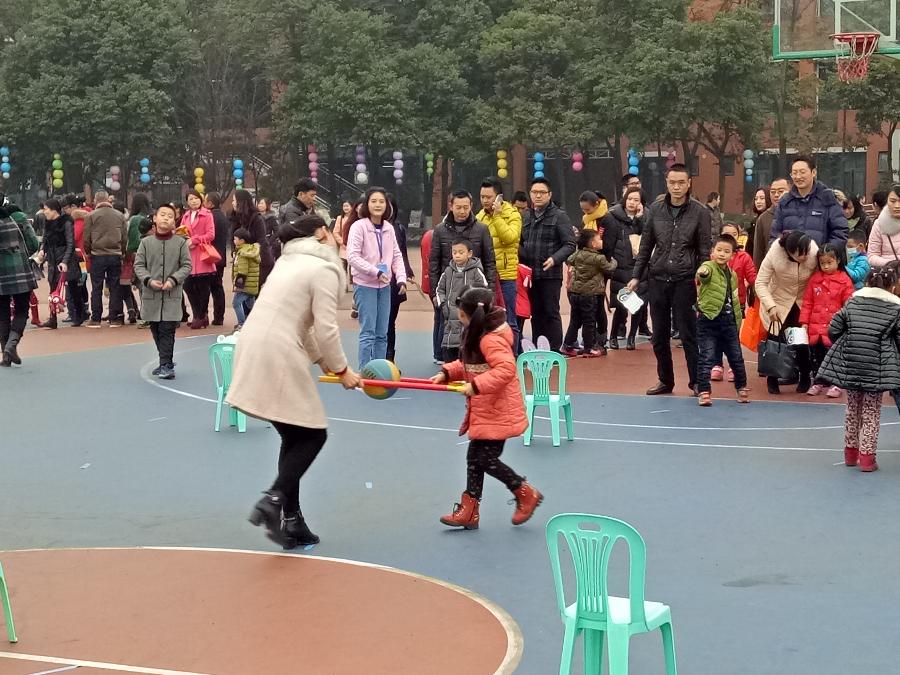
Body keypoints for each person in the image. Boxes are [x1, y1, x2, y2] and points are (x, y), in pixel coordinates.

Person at [229, 214, 361, 548]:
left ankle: (292, 519)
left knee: (293, 435)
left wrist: (324, 362)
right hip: (279, 351)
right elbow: (326, 327)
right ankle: (273, 500)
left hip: (253, 344)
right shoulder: (325, 269)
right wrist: (342, 369)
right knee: (314, 435)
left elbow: (304, 324)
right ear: (322, 233)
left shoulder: (288, 263)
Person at [430, 287, 542, 530]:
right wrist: (447, 372)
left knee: (483, 458)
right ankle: (470, 511)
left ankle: (524, 492)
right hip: (487, 409)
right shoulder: (477, 332)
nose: (459, 318)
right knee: (475, 458)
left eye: (460, 315)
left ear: (469, 315)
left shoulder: (490, 339)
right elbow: (468, 364)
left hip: (498, 409)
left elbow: (506, 369)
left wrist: (476, 386)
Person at [628, 163, 711, 395]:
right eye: (672, 182)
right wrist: (636, 276)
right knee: (659, 335)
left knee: (688, 334)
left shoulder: (700, 212)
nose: (676, 187)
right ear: (666, 183)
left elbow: (705, 250)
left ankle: (697, 382)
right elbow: (646, 246)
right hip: (657, 279)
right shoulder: (655, 210)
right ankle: (665, 380)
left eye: (681, 183)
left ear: (689, 183)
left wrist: (703, 277)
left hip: (685, 280)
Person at [816, 263, 900, 472]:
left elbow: (834, 328)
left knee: (852, 409)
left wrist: (848, 340)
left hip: (851, 363)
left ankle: (850, 454)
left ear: (868, 282)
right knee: (871, 411)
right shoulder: (895, 309)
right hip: (877, 368)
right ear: (892, 286)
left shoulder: (853, 303)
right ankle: (867, 459)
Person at [346, 187, 407, 367]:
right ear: (367, 204)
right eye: (374, 201)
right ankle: (364, 371)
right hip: (365, 285)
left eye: (381, 201)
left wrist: (401, 278)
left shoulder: (389, 228)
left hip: (385, 286)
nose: (378, 205)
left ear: (387, 205)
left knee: (382, 334)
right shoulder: (359, 227)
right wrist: (376, 272)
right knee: (368, 333)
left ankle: (379, 370)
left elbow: (396, 255)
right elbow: (353, 256)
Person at [754, 230, 818, 394]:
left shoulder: (813, 251)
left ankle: (805, 375)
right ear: (789, 252)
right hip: (778, 300)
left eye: (806, 252)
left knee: (800, 340)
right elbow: (760, 283)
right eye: (800, 254)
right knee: (775, 341)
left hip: (801, 301)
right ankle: (772, 378)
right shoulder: (775, 252)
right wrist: (770, 306)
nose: (804, 256)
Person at [134, 203, 192, 380]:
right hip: (151, 295)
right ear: (155, 218)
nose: (166, 218)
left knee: (167, 330)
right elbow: (139, 265)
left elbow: (187, 266)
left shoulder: (180, 243)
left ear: (174, 221)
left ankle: (166, 365)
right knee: (156, 330)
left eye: (170, 216)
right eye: (163, 215)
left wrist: (173, 280)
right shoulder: (145, 243)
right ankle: (164, 362)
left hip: (171, 296)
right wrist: (148, 280)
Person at [519, 178, 576, 351]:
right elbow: (520, 242)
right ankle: (538, 349)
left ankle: (554, 350)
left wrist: (555, 259)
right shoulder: (526, 216)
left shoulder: (559, 216)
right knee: (536, 314)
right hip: (530, 275)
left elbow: (570, 244)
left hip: (550, 275)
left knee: (551, 312)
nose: (538, 196)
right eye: (534, 192)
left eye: (542, 192)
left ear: (549, 195)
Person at [695, 234, 749, 406]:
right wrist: (702, 273)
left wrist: (737, 320)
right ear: (712, 251)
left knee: (736, 358)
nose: (722, 254)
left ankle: (741, 387)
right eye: (719, 250)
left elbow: (734, 299)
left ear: (732, 255)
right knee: (706, 357)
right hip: (708, 319)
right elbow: (703, 274)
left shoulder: (732, 275)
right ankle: (704, 391)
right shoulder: (708, 267)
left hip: (728, 322)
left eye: (726, 251)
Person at [799, 243, 854, 399]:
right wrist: (804, 322)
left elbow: (848, 305)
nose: (826, 266)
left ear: (838, 261)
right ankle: (818, 381)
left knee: (836, 356)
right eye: (822, 263)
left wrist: (846, 325)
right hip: (816, 327)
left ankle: (836, 383)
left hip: (834, 327)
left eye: (829, 262)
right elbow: (807, 303)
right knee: (816, 356)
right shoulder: (815, 280)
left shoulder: (844, 281)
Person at [477, 178, 522, 351]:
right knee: (486, 319)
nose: (485, 200)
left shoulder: (512, 214)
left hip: (506, 275)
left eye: (488, 197)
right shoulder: (479, 217)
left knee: (509, 319)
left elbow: (510, 237)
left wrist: (497, 217)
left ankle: (513, 356)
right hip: (486, 276)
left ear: (498, 197)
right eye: (482, 197)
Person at [709, 223, 757, 383]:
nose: (730, 237)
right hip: (715, 303)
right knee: (715, 334)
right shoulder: (713, 257)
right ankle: (717, 365)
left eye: (734, 234)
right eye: (726, 234)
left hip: (736, 303)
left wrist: (760, 288)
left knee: (732, 336)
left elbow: (752, 276)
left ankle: (733, 366)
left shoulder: (744, 257)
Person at [770, 156, 849, 247]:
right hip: (790, 255)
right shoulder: (785, 202)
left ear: (813, 172)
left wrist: (826, 252)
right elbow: (775, 234)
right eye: (794, 173)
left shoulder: (827, 198)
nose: (798, 176)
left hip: (819, 255)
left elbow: (840, 232)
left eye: (802, 172)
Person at [603, 186, 646, 350]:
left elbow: (648, 239)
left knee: (638, 305)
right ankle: (613, 335)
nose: (632, 202)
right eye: (629, 199)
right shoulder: (613, 217)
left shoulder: (645, 218)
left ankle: (632, 336)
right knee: (622, 304)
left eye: (636, 200)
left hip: (640, 268)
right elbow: (608, 244)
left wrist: (640, 219)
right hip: (621, 267)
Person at [562, 228, 617, 357]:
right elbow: (609, 268)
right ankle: (589, 348)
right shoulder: (599, 258)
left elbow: (569, 260)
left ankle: (567, 345)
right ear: (593, 244)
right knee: (589, 321)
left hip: (575, 293)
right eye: (599, 239)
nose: (601, 241)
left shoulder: (577, 254)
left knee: (575, 320)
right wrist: (614, 261)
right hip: (590, 295)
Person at [429, 190, 496, 291]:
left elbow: (489, 262)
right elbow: (434, 263)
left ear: (471, 206)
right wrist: (434, 292)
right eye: (458, 207)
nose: (462, 211)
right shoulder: (440, 230)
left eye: (465, 207)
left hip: (475, 289)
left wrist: (490, 290)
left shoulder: (482, 229)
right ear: (451, 206)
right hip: (448, 287)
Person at [435, 239, 488, 362]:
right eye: (454, 253)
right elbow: (439, 289)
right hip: (450, 320)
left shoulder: (476, 271)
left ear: (469, 254)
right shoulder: (448, 271)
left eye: (461, 252)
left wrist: (475, 308)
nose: (457, 255)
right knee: (449, 354)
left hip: (468, 320)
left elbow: (484, 290)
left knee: (466, 353)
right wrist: (443, 304)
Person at [0, 203, 39, 367]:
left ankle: (6, 355)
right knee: (22, 309)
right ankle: (12, 345)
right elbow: (34, 244)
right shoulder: (18, 218)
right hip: (20, 268)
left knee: (2, 314)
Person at [83, 190, 127, 327]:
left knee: (96, 287)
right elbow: (124, 237)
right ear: (108, 200)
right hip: (115, 254)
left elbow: (86, 238)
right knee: (115, 287)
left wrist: (88, 252)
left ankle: (96, 318)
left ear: (96, 200)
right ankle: (114, 318)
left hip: (97, 255)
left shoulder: (91, 216)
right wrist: (122, 252)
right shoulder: (120, 215)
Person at [37, 198, 78, 330]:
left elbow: (70, 243)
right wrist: (42, 250)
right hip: (53, 259)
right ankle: (53, 318)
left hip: (65, 259)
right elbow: (44, 240)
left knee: (72, 288)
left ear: (54, 210)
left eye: (46, 209)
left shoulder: (66, 222)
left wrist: (65, 261)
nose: (44, 212)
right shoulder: (47, 223)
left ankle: (78, 315)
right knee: (52, 288)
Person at [179, 190, 217, 329]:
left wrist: (195, 240)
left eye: (196, 198)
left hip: (202, 254)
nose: (194, 201)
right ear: (187, 202)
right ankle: (198, 315)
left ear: (200, 199)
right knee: (188, 286)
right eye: (191, 199)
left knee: (203, 287)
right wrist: (184, 239)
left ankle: (201, 316)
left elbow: (211, 235)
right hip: (189, 254)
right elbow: (181, 231)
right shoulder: (186, 216)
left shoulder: (207, 214)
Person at [386, 196, 414, 363]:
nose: (383, 207)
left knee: (390, 322)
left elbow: (402, 253)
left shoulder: (398, 228)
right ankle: (376, 359)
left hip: (394, 281)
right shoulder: (368, 227)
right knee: (378, 325)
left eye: (387, 205)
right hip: (376, 282)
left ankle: (389, 360)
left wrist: (407, 271)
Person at [231, 189, 275, 286]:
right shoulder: (237, 218)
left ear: (241, 202)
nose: (232, 203)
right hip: (244, 263)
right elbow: (234, 238)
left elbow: (261, 241)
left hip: (258, 263)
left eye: (234, 200)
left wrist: (250, 253)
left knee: (251, 291)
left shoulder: (257, 219)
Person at [204, 192, 231, 326]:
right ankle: (219, 317)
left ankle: (203, 315)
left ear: (210, 203)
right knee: (217, 287)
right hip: (220, 256)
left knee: (205, 288)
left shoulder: (209, 216)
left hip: (209, 256)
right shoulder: (223, 216)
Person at [752, 179, 788, 270]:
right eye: (773, 192)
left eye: (781, 191)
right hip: (771, 270)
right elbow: (758, 251)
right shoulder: (763, 218)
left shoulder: (799, 214)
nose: (776, 195)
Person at [231, 227, 260, 330]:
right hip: (252, 284)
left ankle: (241, 324)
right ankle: (257, 321)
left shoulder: (243, 253)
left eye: (235, 239)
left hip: (244, 285)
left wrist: (238, 285)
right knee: (250, 304)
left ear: (242, 240)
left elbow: (242, 271)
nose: (233, 241)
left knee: (236, 303)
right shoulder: (250, 250)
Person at [421, 227, 442, 364]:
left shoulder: (428, 235)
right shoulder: (436, 236)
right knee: (442, 318)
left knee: (438, 317)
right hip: (437, 283)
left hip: (429, 282)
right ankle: (440, 354)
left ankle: (438, 353)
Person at [867, 185, 900, 268]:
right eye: (892, 201)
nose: (897, 206)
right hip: (890, 272)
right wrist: (891, 263)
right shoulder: (879, 224)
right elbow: (872, 256)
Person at [331, 199, 354, 275]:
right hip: (343, 248)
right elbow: (335, 232)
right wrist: (342, 242)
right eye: (344, 206)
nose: (345, 208)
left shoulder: (355, 219)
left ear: (352, 207)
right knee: (343, 269)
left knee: (352, 270)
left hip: (353, 247)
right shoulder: (340, 218)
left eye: (347, 206)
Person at [257, 196, 281, 261]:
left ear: (267, 205)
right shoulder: (256, 217)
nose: (259, 205)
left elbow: (277, 231)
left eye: (262, 203)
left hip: (267, 243)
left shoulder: (271, 217)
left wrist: (269, 241)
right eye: (259, 203)